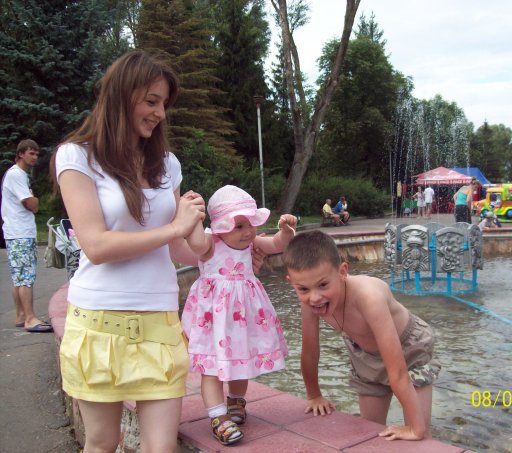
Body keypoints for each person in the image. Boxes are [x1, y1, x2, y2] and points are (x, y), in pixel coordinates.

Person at [54, 50, 207, 452]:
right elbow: (96, 245)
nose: (159, 113)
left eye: (164, 104)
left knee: (161, 448)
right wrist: (174, 227)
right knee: (103, 442)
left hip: (159, 322)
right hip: (97, 323)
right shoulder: (77, 156)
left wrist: (226, 250)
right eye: (151, 101)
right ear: (122, 95)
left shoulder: (166, 164)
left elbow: (177, 247)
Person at [282, 230, 441, 441]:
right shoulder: (310, 304)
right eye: (303, 289)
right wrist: (314, 395)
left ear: (342, 271)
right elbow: (310, 352)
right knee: (370, 431)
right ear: (291, 282)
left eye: (323, 285)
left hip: (409, 349)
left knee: (419, 433)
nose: (314, 298)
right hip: (365, 353)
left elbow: (398, 370)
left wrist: (416, 428)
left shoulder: (369, 296)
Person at [181, 185, 296, 446]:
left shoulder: (251, 243)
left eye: (250, 224)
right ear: (220, 227)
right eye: (238, 226)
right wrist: (195, 215)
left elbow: (276, 244)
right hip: (214, 320)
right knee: (211, 368)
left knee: (240, 361)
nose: (247, 232)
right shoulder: (210, 244)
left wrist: (286, 231)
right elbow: (195, 242)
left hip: (243, 319)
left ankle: (236, 402)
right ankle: (218, 417)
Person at [1, 139, 53, 332]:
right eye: (31, 153)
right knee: (26, 277)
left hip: (16, 232)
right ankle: (30, 318)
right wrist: (35, 200)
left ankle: (21, 315)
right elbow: (31, 204)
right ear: (20, 154)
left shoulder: (17, 175)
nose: (35, 157)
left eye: (37, 154)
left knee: (19, 277)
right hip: (21, 232)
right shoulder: (16, 174)